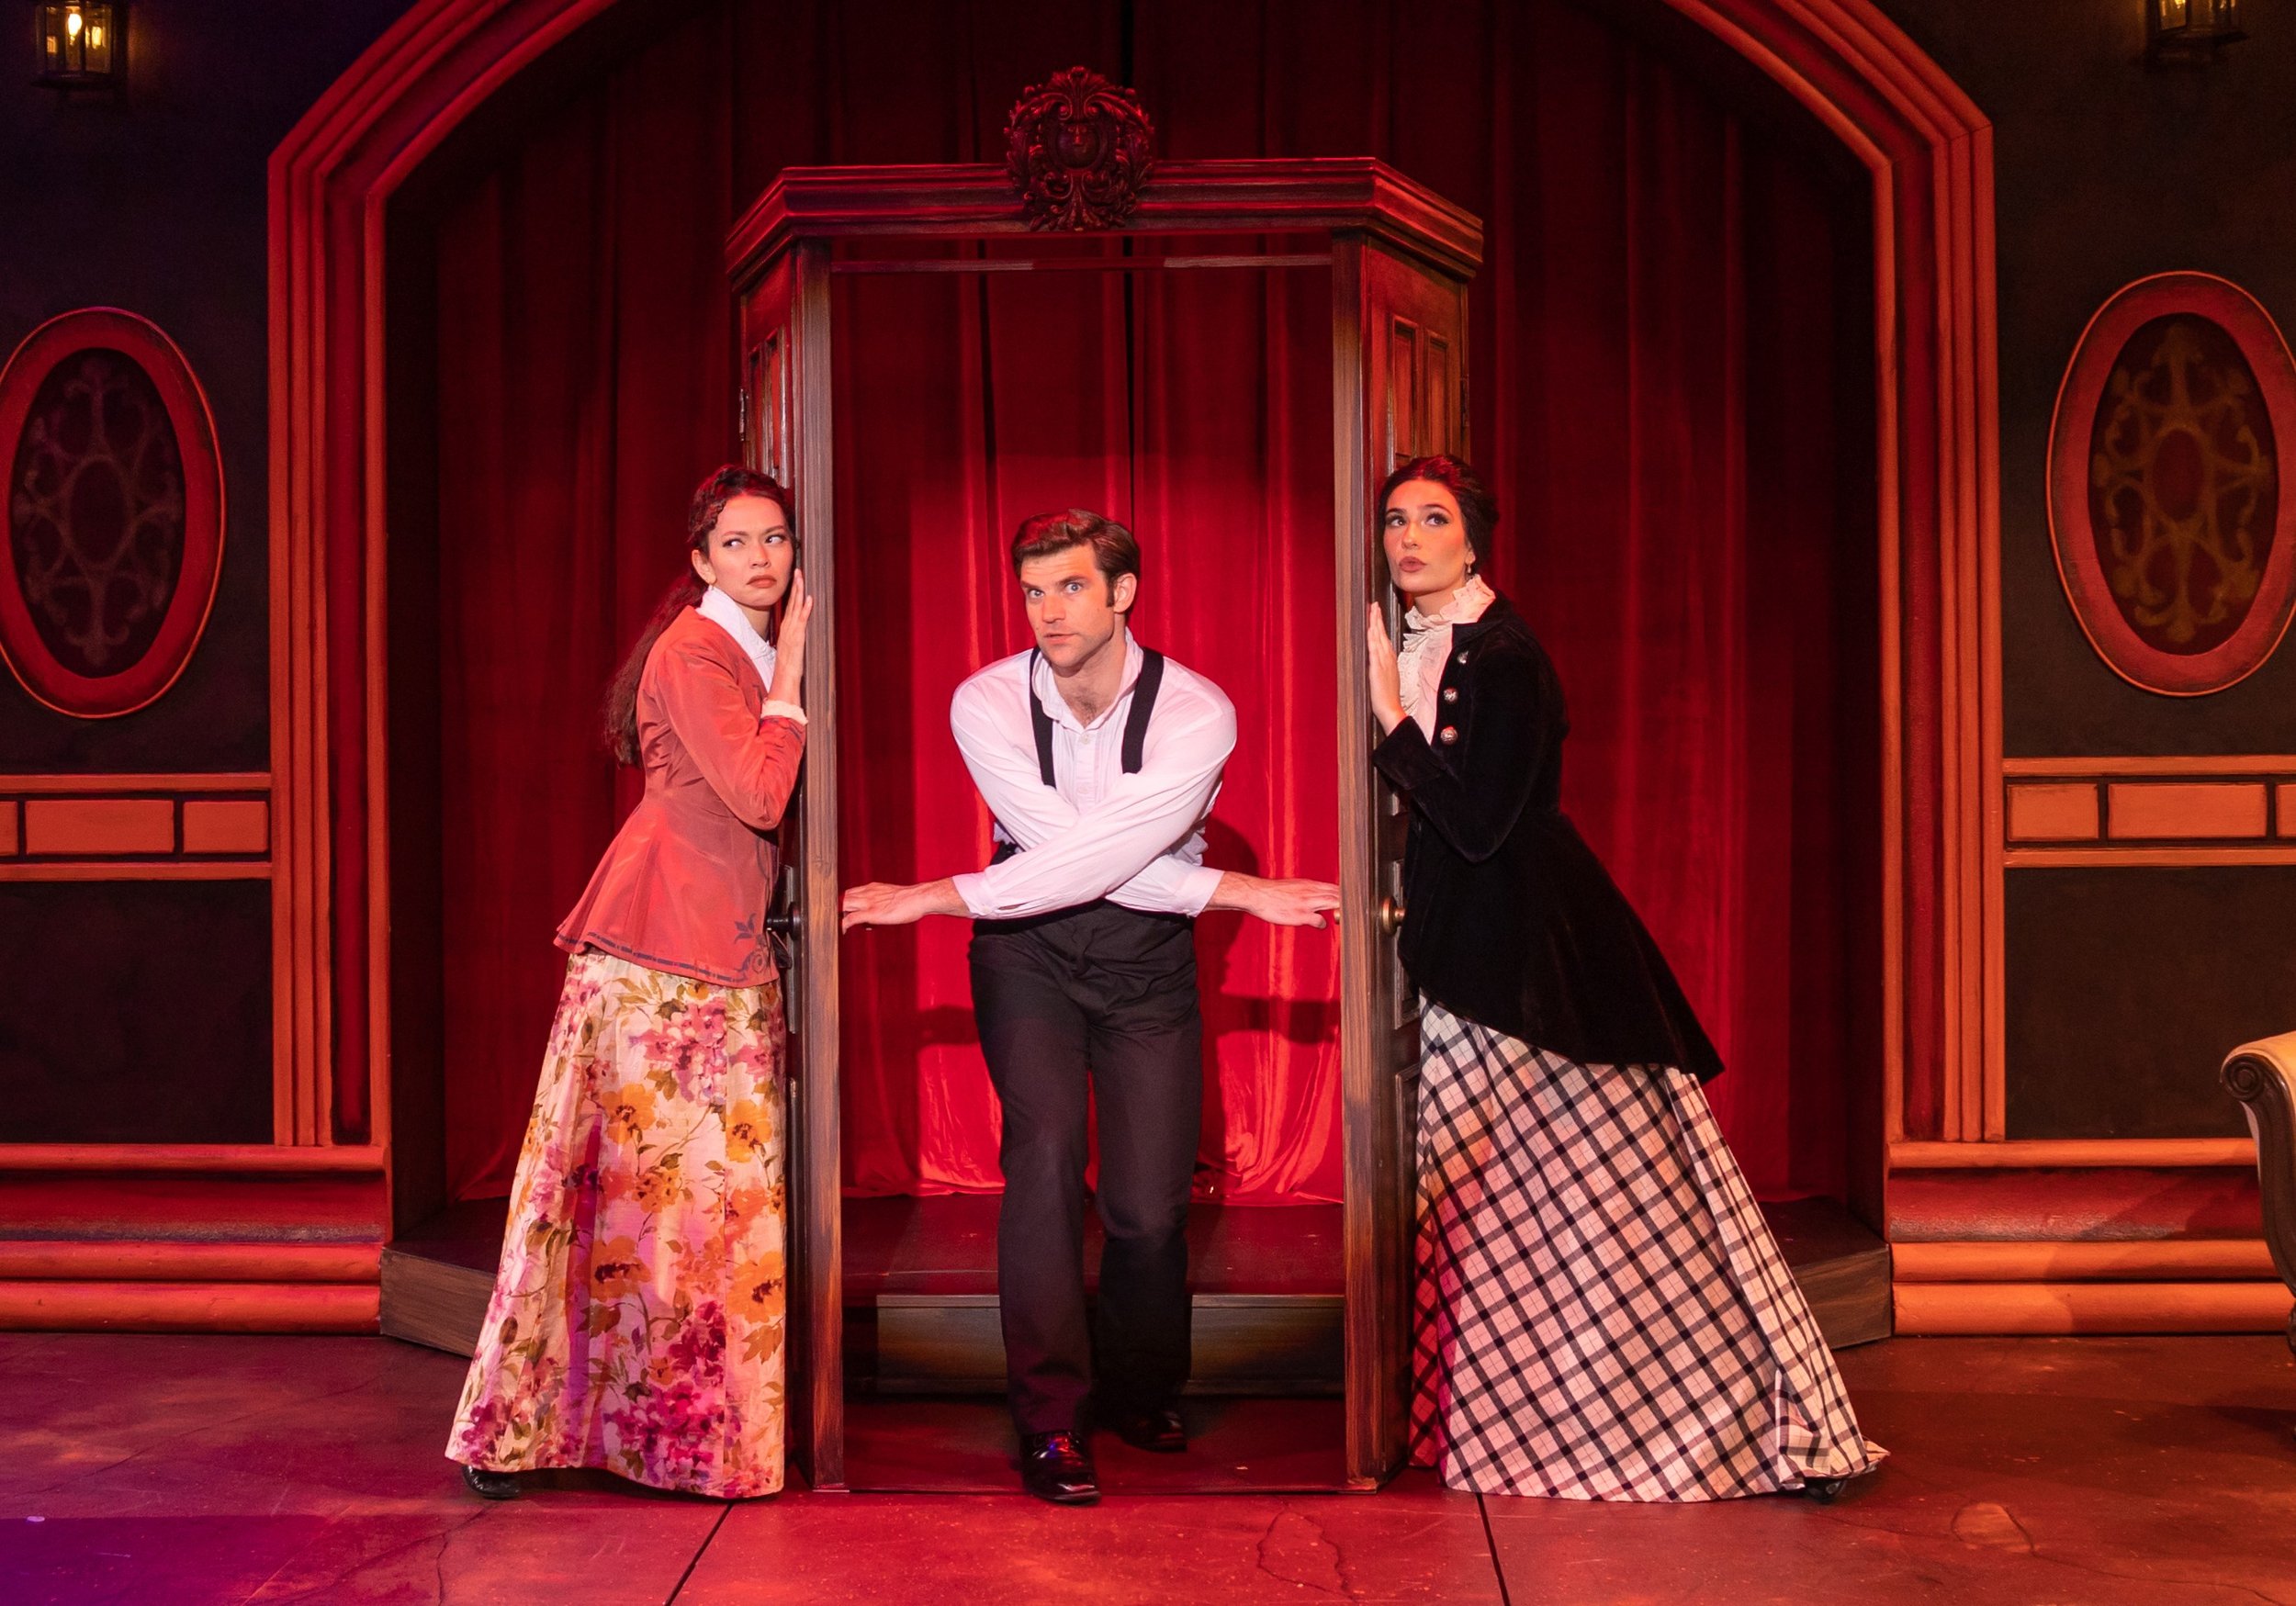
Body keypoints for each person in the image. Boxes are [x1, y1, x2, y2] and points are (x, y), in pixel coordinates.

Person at [1363, 454, 1882, 1502]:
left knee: (1595, 1207)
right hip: (1473, 954)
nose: (1408, 538)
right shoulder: (1438, 641)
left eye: (1431, 519)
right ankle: (1504, 1422)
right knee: (1508, 1204)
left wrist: (1391, 723)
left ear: (1474, 539)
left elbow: (1475, 826)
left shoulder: (1504, 655)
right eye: (1393, 521)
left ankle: (1693, 1427)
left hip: (1531, 963)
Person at [841, 510, 1339, 1507]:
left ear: (1122, 594)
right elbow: (1067, 859)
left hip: (1146, 961)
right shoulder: (985, 700)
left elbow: (1106, 863)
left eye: (1069, 587)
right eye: (1032, 591)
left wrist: (932, 895)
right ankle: (1049, 1417)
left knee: (1149, 1205)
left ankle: (1140, 1387)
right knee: (1042, 1160)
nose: (1047, 611)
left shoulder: (1198, 710)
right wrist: (1238, 891)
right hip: (1026, 950)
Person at [447, 466, 813, 1501]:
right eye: (737, 543)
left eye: (775, 540)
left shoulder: (729, 645)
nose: (761, 559)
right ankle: (527, 1431)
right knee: (639, 1199)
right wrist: (790, 676)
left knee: (687, 1208)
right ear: (700, 560)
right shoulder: (697, 649)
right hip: (663, 951)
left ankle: (676, 1436)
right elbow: (755, 790)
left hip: (712, 947)